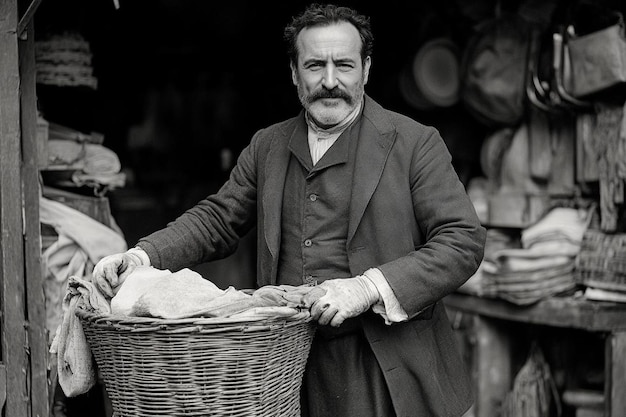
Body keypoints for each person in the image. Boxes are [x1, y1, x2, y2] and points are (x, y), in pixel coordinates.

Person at [93, 4, 486, 416]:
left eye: (345, 65)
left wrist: (368, 287)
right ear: (295, 73)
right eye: (315, 65)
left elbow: (462, 241)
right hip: (292, 370)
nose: (330, 81)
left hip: (391, 371)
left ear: (366, 69)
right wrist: (140, 256)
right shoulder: (268, 145)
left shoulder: (414, 143)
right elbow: (217, 219)